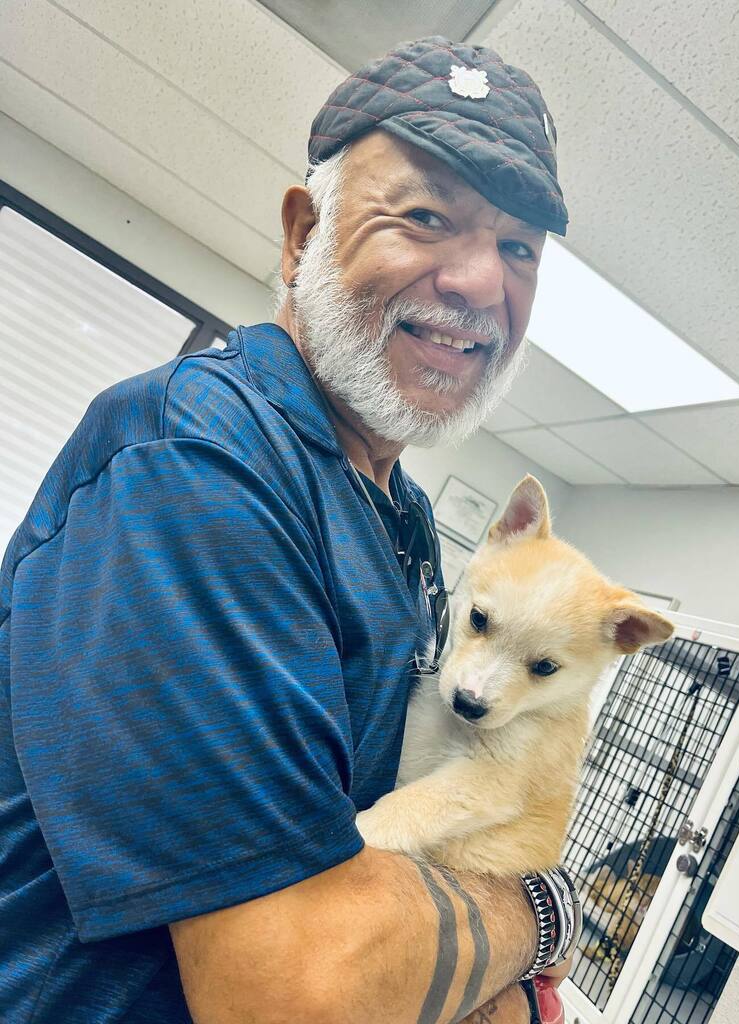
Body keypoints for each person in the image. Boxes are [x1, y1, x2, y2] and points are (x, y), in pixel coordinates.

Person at [0, 36, 576, 1024]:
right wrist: (539, 914)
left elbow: (363, 869)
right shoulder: (199, 456)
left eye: (517, 248)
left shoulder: (400, 523)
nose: (482, 281)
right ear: (301, 236)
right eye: (427, 216)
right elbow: (295, 989)